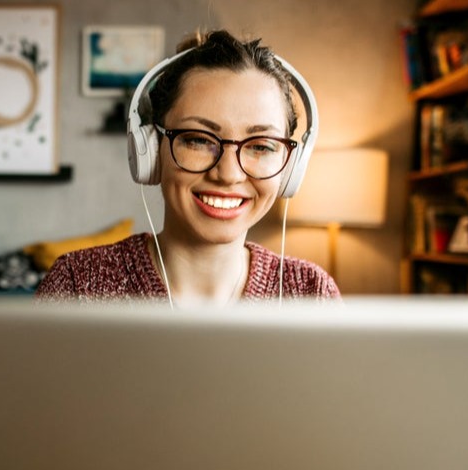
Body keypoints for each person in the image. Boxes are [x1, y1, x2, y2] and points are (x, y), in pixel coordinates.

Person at [36, 30, 340, 306]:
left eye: (260, 146)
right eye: (197, 140)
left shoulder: (311, 292)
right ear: (152, 150)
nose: (228, 174)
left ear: (290, 168)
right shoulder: (77, 285)